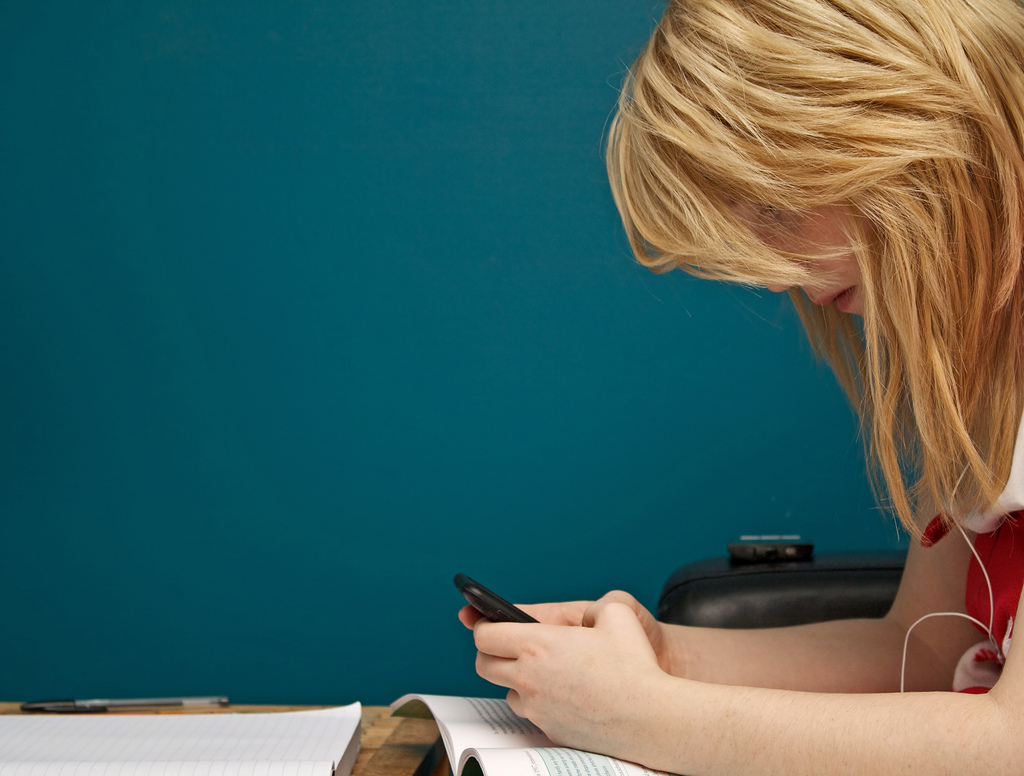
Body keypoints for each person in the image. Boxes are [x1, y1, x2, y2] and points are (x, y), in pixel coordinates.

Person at [459, 0, 1024, 772]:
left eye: (773, 206)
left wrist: (642, 716)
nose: (767, 272)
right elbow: (919, 653)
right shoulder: (977, 363)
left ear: (899, 125)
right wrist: (662, 658)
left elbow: (1010, 741)